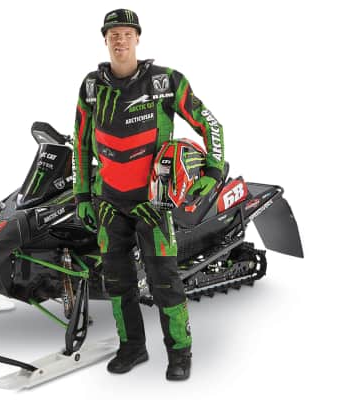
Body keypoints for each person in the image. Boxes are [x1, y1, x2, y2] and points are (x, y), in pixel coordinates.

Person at [72, 9, 225, 381]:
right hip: (109, 204)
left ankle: (180, 353)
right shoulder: (91, 86)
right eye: (113, 34)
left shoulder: (166, 81)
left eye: (127, 33)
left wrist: (214, 170)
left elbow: (210, 123)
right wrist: (82, 195)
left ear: (138, 38)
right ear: (105, 39)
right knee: (117, 283)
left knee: (165, 281)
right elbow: (80, 143)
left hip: (153, 204)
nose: (120, 40)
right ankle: (132, 348)